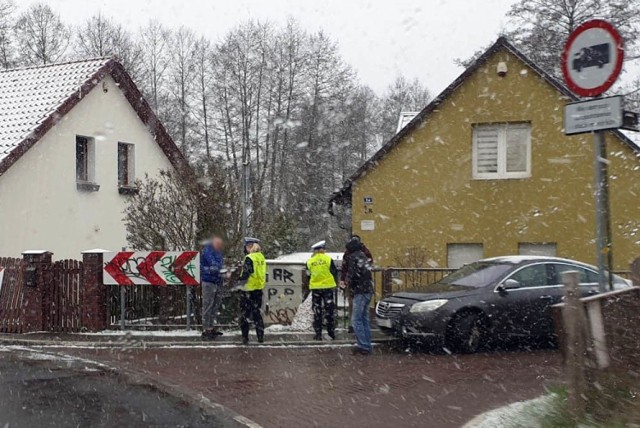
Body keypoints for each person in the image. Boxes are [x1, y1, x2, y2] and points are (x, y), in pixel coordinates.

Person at [344, 239, 374, 355]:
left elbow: (353, 275)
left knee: (356, 320)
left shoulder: (353, 257)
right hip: (368, 290)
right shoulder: (363, 256)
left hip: (360, 291)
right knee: (364, 319)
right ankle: (367, 344)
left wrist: (348, 284)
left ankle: (363, 345)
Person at [306, 240, 338, 341]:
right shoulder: (328, 259)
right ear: (321, 250)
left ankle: (318, 333)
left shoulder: (310, 261)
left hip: (316, 289)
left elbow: (308, 274)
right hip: (328, 288)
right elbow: (334, 272)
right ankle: (331, 332)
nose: (325, 250)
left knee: (317, 311)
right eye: (324, 248)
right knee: (329, 311)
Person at [340, 235, 373, 332]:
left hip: (358, 285)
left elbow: (346, 268)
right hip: (364, 285)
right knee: (360, 310)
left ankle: (355, 327)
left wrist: (346, 279)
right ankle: (357, 328)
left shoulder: (353, 253)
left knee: (356, 307)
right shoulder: (363, 252)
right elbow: (345, 266)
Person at [237, 237, 266, 345]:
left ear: (249, 246)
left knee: (244, 315)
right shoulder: (261, 257)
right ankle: (260, 337)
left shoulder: (249, 258)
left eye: (245, 247)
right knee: (257, 314)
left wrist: (238, 283)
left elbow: (246, 274)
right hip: (258, 289)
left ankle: (245, 337)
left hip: (248, 290)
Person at [200, 236, 225, 340]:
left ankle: (211, 327)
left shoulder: (217, 252)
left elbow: (218, 266)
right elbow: (214, 265)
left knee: (215, 306)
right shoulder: (208, 251)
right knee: (208, 305)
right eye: (218, 244)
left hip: (217, 281)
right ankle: (206, 329)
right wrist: (220, 270)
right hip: (209, 281)